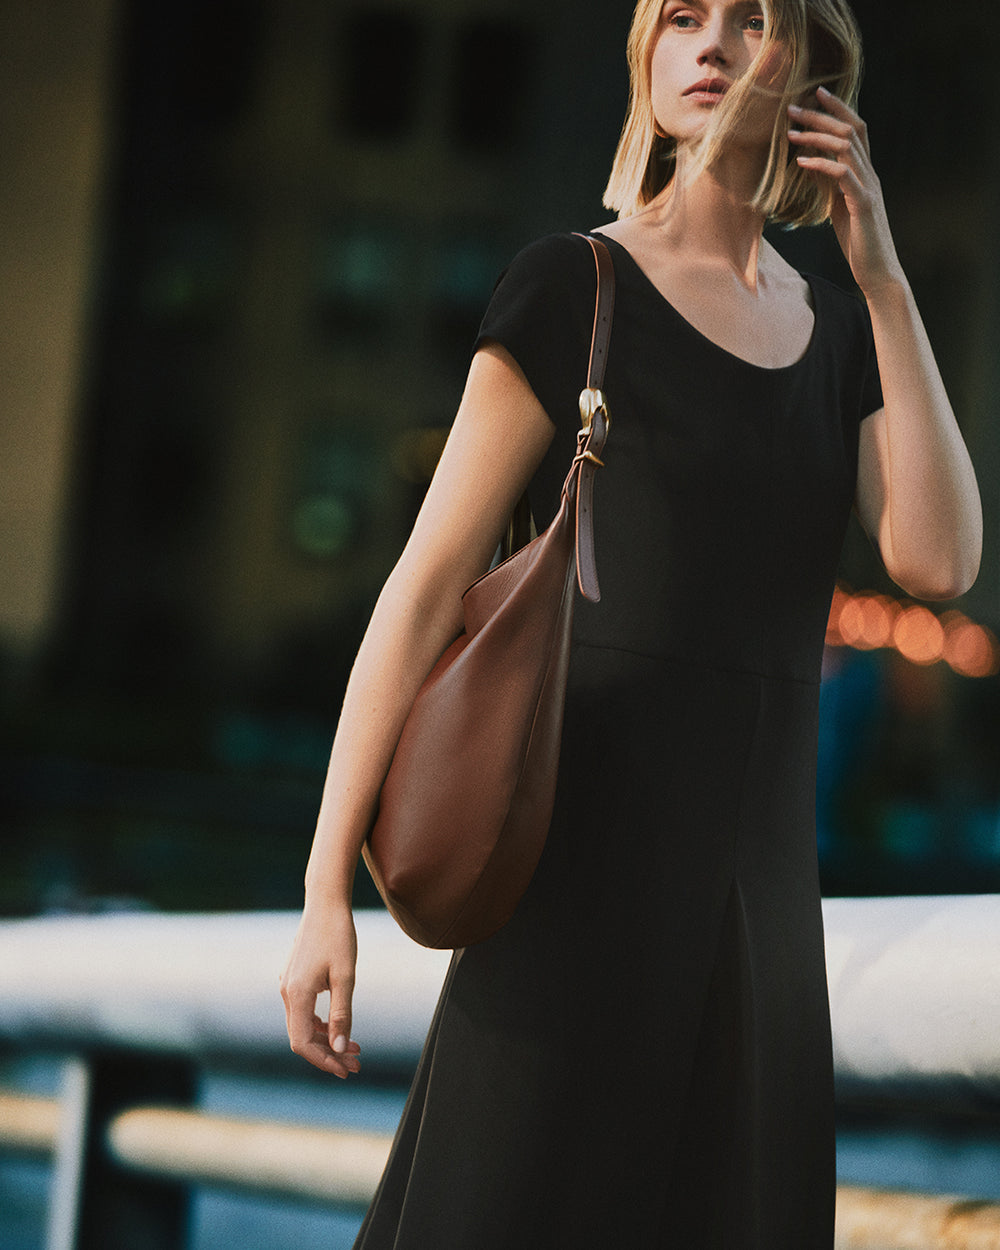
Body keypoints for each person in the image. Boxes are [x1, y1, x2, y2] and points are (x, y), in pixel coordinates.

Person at [281, 0, 982, 1244]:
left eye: (751, 20)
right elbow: (425, 586)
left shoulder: (839, 332)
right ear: (645, 57)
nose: (710, 47)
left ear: (810, 69)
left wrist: (880, 273)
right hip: (568, 899)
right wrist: (325, 882)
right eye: (681, 19)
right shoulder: (573, 283)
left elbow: (938, 557)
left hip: (758, 919)